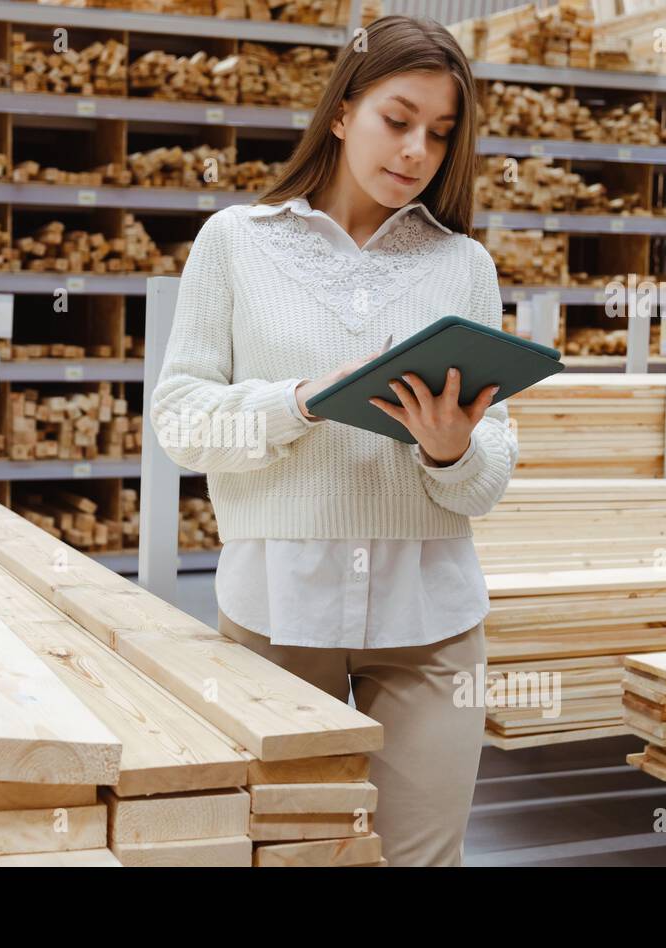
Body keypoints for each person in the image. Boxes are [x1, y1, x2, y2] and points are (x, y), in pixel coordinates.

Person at [148, 14, 519, 867]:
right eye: (399, 119)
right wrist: (302, 402)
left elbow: (491, 472)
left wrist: (450, 451)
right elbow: (180, 422)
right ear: (343, 112)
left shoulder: (462, 265)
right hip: (279, 610)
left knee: (422, 859)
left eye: (441, 132)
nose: (418, 150)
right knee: (292, 856)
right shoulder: (237, 243)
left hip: (432, 619)